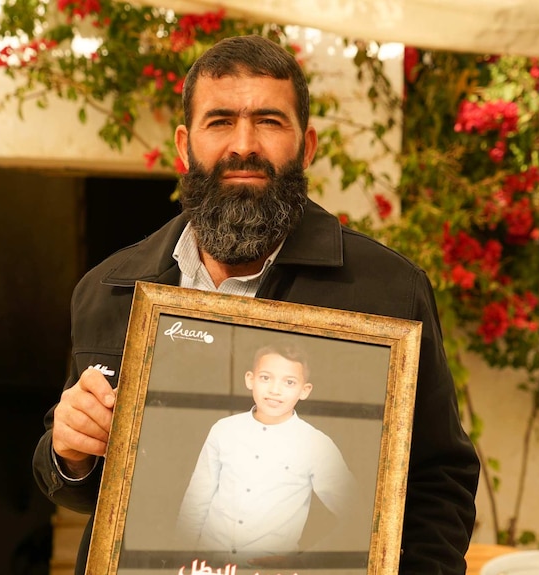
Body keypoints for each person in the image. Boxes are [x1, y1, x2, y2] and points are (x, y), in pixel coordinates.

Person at [32, 34, 480, 575]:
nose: (243, 145)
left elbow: (439, 479)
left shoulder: (387, 291)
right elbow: (85, 485)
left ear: (307, 146)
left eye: (269, 121)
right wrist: (70, 455)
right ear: (184, 144)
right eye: (220, 121)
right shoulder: (108, 287)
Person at [174, 341, 359, 559]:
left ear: (304, 390)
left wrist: (302, 563)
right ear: (250, 379)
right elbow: (197, 499)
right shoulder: (223, 430)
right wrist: (180, 557)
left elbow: (356, 514)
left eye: (289, 382)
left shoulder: (316, 444)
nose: (274, 390)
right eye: (265, 378)